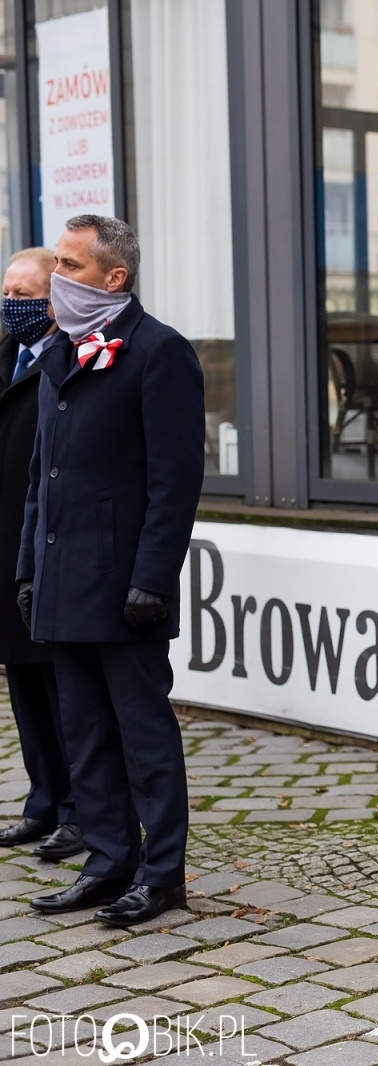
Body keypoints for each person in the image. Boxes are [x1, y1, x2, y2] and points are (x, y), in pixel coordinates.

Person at [20, 216, 205, 927]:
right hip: (62, 580)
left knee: (142, 734)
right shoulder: (61, 353)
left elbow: (174, 482)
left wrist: (152, 580)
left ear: (113, 278)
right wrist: (27, 566)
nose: (57, 280)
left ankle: (160, 875)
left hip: (126, 587)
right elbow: (43, 477)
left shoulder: (160, 353)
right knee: (85, 733)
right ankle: (105, 860)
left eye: (70, 266)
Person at [0, 248, 79, 861]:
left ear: (51, 304)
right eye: (5, 292)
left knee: (63, 689)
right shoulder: (6, 356)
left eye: (23, 294)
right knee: (23, 684)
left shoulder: (66, 359)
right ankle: (42, 800)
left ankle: (80, 809)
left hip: (44, 551)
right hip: (5, 550)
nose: (11, 305)